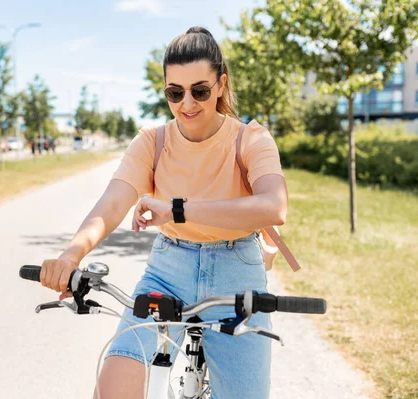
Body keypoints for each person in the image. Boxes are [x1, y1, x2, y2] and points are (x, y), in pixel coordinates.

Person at [39, 26, 288, 399]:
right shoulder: (152, 142)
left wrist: (177, 210)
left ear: (221, 84)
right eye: (175, 92)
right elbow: (110, 205)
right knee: (113, 390)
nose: (187, 103)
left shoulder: (250, 139)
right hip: (169, 271)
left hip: (237, 270)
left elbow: (274, 206)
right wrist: (70, 255)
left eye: (200, 90)